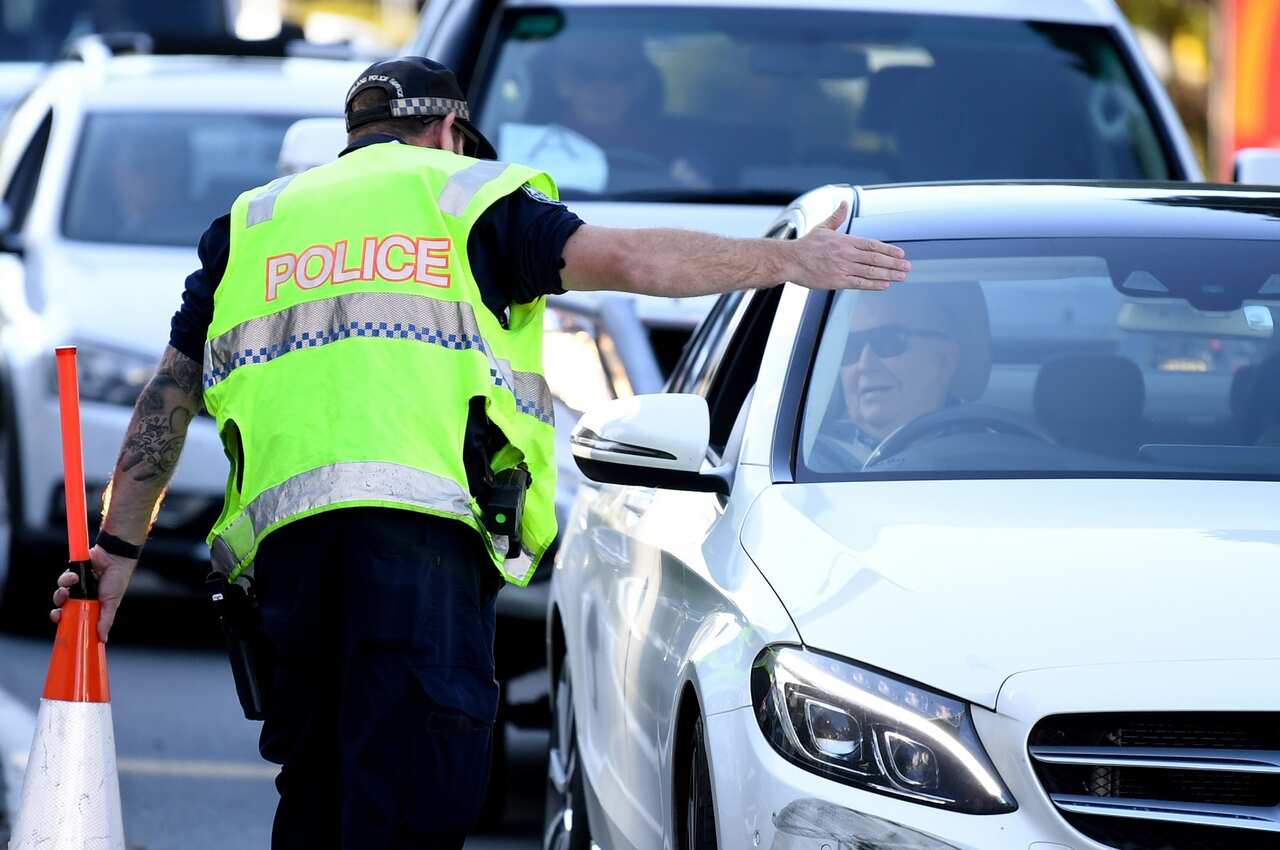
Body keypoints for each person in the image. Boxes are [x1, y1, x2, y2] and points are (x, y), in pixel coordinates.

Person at [50, 57, 909, 849]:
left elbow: (164, 402)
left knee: (317, 795)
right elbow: (632, 261)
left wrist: (114, 557)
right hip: (419, 550)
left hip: (287, 564)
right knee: (418, 798)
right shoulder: (469, 198)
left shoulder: (255, 222)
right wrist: (789, 260)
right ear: (446, 131)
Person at [833, 281, 989, 463]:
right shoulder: (808, 458)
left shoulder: (995, 459)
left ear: (946, 359)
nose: (864, 364)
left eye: (888, 341)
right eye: (851, 347)